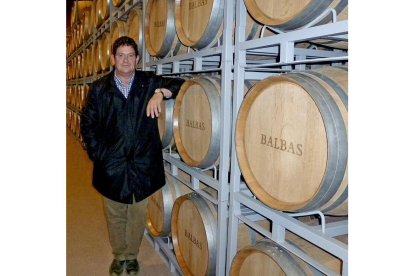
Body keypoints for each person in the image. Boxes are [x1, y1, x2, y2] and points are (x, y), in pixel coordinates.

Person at [80, 36, 184, 276]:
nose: (125, 60)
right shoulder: (99, 88)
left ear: (137, 59)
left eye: (130, 55)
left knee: (137, 215)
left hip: (142, 164)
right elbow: (88, 123)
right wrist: (99, 154)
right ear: (113, 58)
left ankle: (132, 256)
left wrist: (161, 92)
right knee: (115, 214)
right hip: (111, 164)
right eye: (121, 55)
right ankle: (119, 256)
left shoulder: (148, 83)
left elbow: (181, 84)